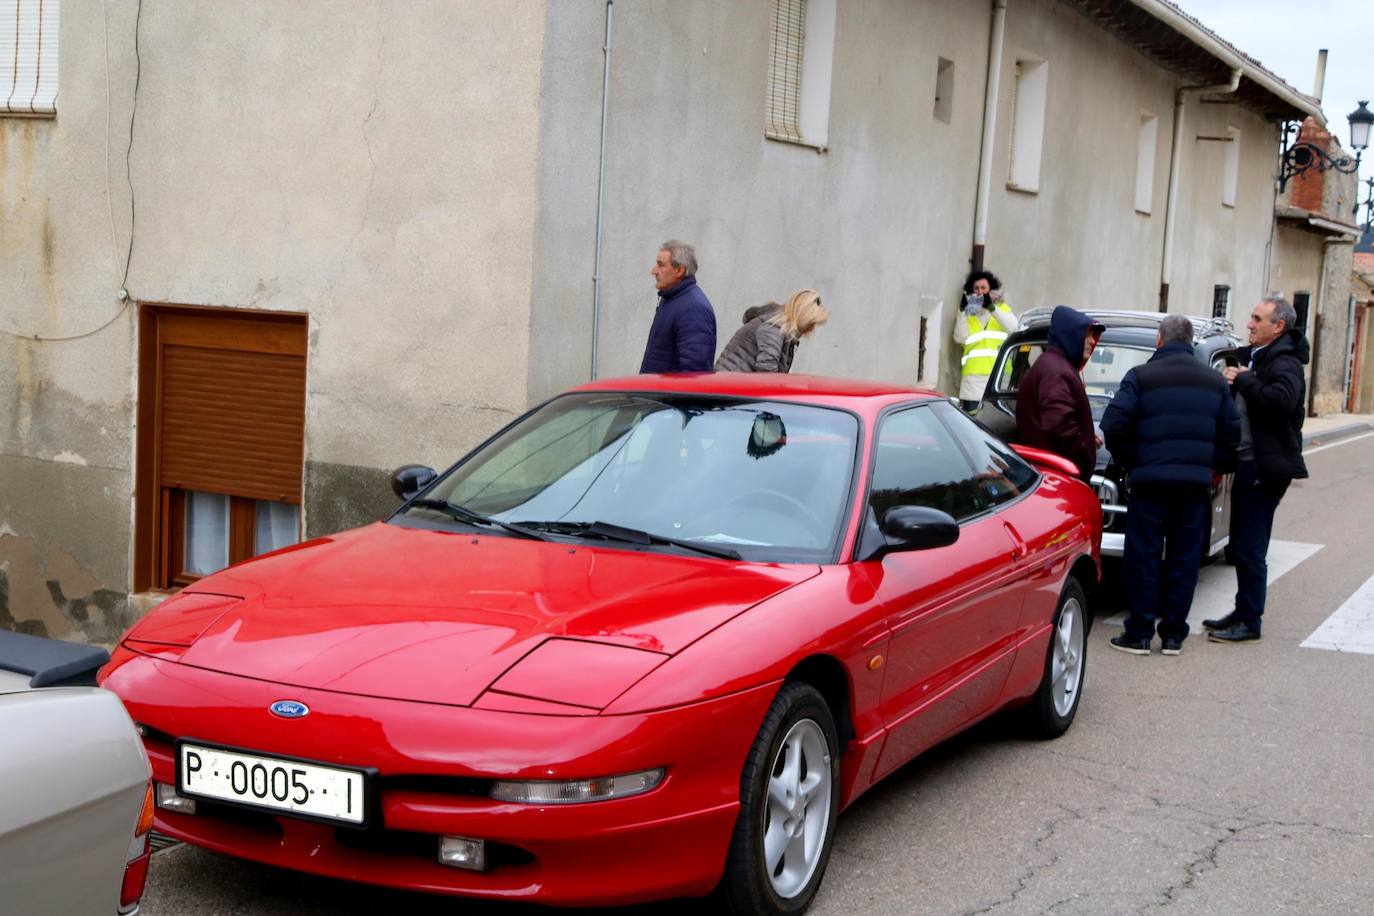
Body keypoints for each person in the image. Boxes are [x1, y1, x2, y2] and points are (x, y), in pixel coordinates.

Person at [1100, 315, 1241, 656]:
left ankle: (1139, 633)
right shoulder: (1215, 382)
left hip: (1149, 484)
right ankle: (1174, 635)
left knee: (1143, 558)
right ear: (1191, 343)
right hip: (1193, 487)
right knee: (1184, 560)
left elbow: (1113, 423)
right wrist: (1211, 468)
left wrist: (1130, 461)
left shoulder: (1141, 376)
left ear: (1159, 340)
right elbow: (1232, 436)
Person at [1205, 297, 1309, 644]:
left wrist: (1246, 380)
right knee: (1241, 545)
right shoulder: (1260, 357)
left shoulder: (1285, 362)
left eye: (1257, 319)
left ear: (1278, 327)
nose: (1249, 324)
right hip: (1249, 464)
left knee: (1250, 548)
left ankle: (1250, 621)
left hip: (1264, 469)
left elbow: (1282, 401)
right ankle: (1242, 611)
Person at [1014, 306, 1104, 482]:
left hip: (1053, 474)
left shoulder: (1054, 365)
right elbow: (1058, 424)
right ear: (1071, 336)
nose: (1092, 341)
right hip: (1057, 477)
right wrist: (1083, 457)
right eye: (1087, 335)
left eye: (1093, 336)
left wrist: (1085, 437)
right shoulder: (1056, 371)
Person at [640, 240, 717, 373]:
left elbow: (694, 372)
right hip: (655, 387)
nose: (653, 271)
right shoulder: (671, 299)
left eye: (661, 265)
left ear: (679, 270)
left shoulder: (693, 309)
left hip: (668, 388)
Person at [715, 289, 830, 373]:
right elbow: (767, 370)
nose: (813, 329)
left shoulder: (782, 330)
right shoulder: (774, 328)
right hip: (729, 389)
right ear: (804, 319)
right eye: (812, 324)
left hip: (732, 385)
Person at [952, 270, 1018, 410]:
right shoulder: (969, 312)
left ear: (990, 289)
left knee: (998, 421)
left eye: (983, 288)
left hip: (999, 379)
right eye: (976, 288)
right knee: (971, 421)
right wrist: (962, 311)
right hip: (973, 382)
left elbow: (1015, 329)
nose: (979, 292)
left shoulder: (1002, 308)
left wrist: (992, 309)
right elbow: (960, 338)